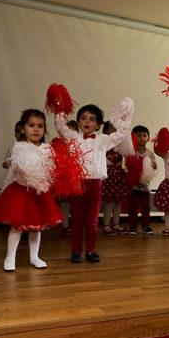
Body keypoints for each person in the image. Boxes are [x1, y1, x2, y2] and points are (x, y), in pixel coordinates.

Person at [0, 109, 62, 271]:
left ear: (44, 129)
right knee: (17, 227)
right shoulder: (19, 147)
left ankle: (34, 257)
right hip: (21, 192)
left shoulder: (48, 149)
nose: (36, 129)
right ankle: (10, 257)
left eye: (40, 126)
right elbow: (13, 172)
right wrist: (2, 193)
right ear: (23, 128)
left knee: (37, 228)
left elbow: (51, 172)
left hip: (39, 194)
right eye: (31, 125)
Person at [55, 105, 126, 263]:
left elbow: (121, 134)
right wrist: (60, 105)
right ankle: (75, 251)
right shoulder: (72, 137)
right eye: (83, 118)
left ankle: (91, 250)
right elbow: (60, 125)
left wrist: (123, 115)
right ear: (78, 122)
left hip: (95, 185)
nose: (87, 121)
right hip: (77, 185)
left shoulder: (103, 140)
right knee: (77, 221)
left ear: (98, 125)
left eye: (92, 119)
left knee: (92, 222)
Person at [127, 125, 157, 235]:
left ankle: (146, 226)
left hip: (145, 186)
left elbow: (154, 167)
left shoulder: (149, 153)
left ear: (148, 138)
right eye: (138, 136)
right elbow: (127, 166)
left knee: (145, 208)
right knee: (132, 208)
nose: (141, 138)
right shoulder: (131, 152)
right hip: (133, 186)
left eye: (144, 135)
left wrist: (153, 164)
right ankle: (132, 227)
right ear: (133, 138)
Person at [101, 121, 130, 235]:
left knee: (118, 201)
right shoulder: (103, 144)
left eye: (116, 129)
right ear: (105, 131)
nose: (114, 131)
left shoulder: (120, 144)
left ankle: (116, 224)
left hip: (119, 175)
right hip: (108, 175)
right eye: (112, 129)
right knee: (109, 202)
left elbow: (125, 159)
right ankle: (106, 225)